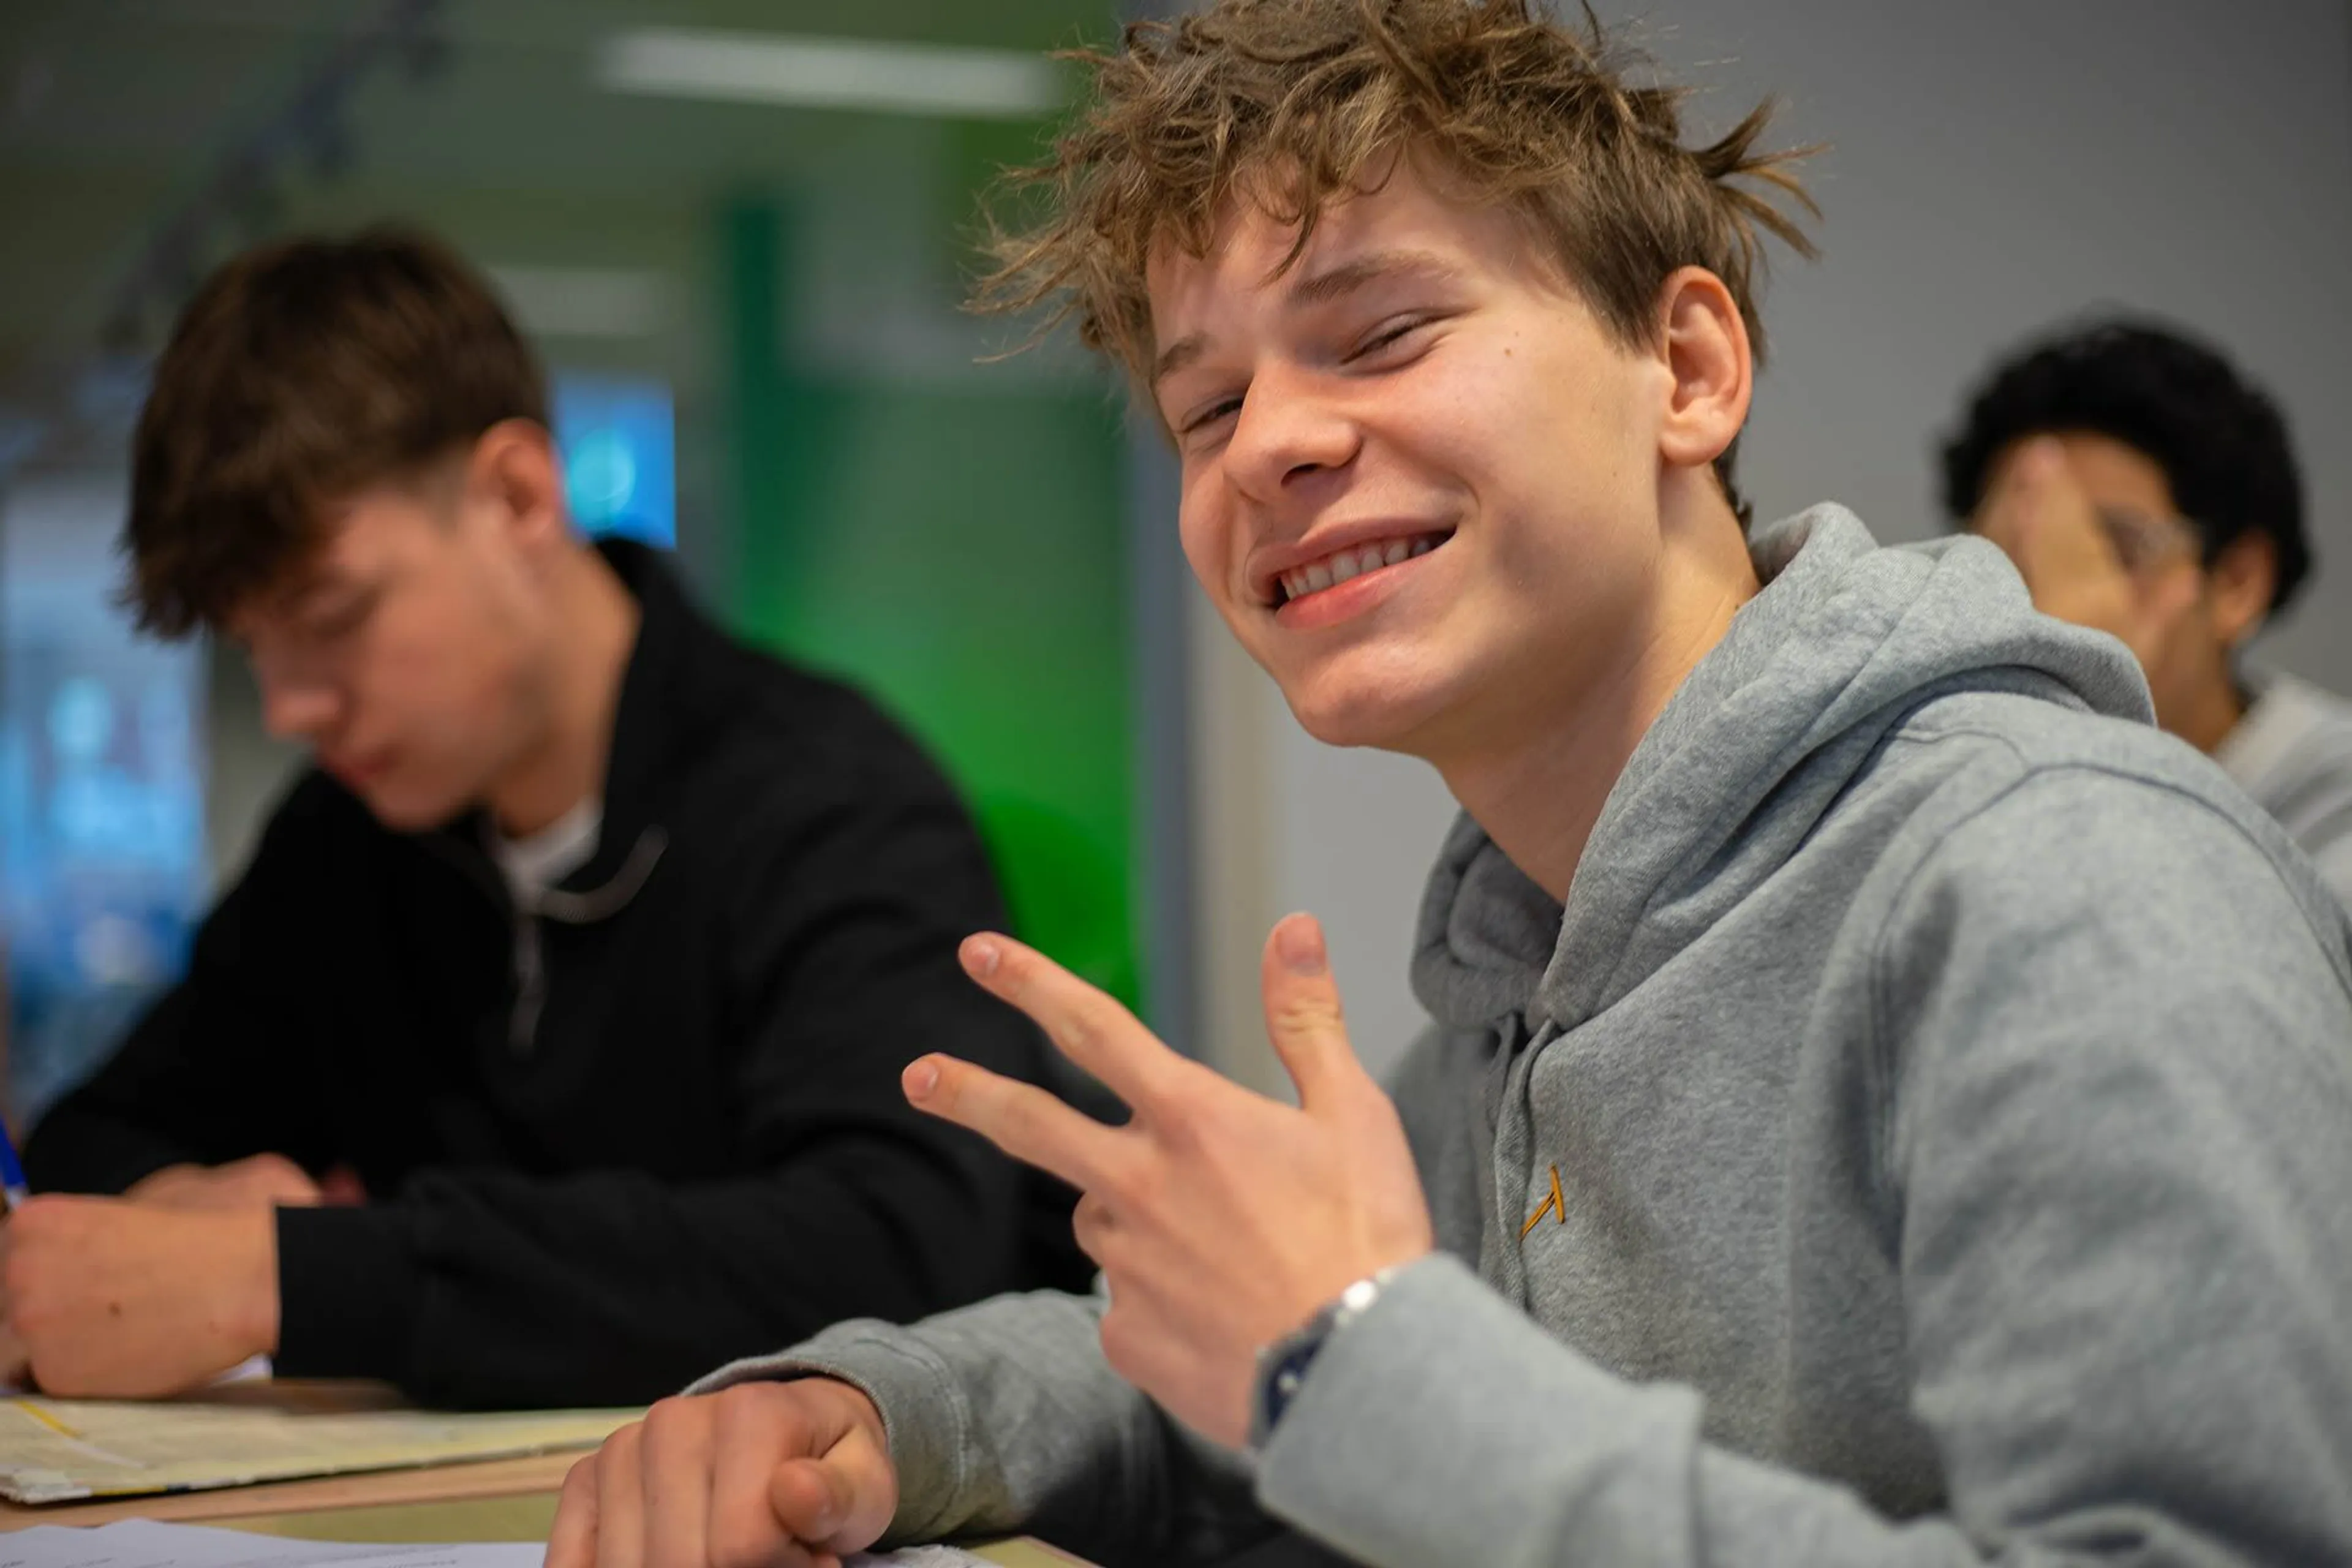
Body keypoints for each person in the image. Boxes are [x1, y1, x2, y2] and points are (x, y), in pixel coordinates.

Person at [549, 2, 2352, 1563]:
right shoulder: (1524, 962)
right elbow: (1226, 1376)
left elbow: (1353, 1377)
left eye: (1379, 332)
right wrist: (875, 1410)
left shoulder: (2068, 885)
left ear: (1685, 368)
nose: (1268, 444)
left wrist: (1353, 1363)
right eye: (1203, 409)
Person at [7, 227, 1076, 1410]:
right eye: (255, 645)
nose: (290, 706)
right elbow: (97, 1131)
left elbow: (899, 1245)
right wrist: (179, 1213)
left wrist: (298, 1279)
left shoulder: (830, 799)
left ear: (517, 496)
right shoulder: (345, 841)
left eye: (331, 616)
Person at [1943, 317, 2352, 910]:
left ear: (2237, 582)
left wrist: (2078, 695)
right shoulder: (1933, 755)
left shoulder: (2332, 802)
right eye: (2006, 554)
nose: (2034, 598)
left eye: (2115, 546)